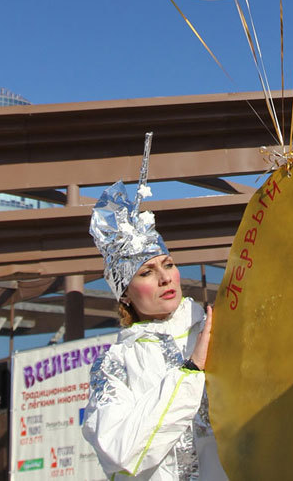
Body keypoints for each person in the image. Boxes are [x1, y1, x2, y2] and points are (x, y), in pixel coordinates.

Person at [81, 134, 228, 480]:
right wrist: (191, 371)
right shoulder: (117, 363)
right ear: (125, 296)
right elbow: (119, 449)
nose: (165, 278)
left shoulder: (218, 323)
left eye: (169, 264)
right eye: (147, 271)